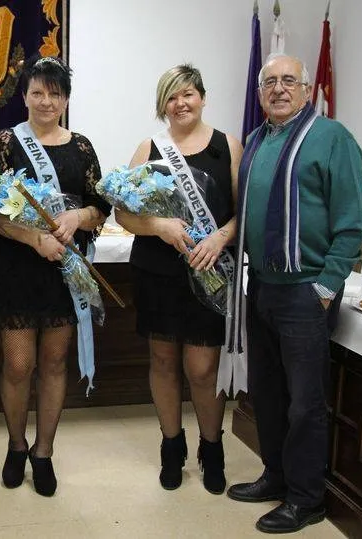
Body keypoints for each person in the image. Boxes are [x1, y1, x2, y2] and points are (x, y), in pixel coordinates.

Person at [225, 53, 362, 534]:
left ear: (308, 90)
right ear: (260, 91)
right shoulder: (257, 140)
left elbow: (352, 225)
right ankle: (277, 476)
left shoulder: (332, 139)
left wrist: (326, 287)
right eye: (270, 82)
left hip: (305, 292)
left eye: (289, 80)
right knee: (265, 392)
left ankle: (307, 499)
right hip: (262, 285)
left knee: (305, 402)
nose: (279, 88)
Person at [0, 55, 110, 497]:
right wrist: (33, 238)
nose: (46, 101)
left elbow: (101, 208)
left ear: (66, 98)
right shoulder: (4, 143)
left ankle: (44, 451)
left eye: (55, 93)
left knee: (54, 364)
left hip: (63, 275)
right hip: (15, 269)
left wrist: (78, 217)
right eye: (38, 92)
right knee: (18, 365)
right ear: (25, 95)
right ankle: (16, 445)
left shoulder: (82, 147)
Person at [116, 64, 242, 494]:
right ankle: (172, 446)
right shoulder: (149, 148)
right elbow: (122, 212)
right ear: (161, 106)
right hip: (158, 271)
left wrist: (222, 237)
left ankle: (212, 446)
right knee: (164, 361)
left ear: (202, 98)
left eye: (188, 94)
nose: (180, 103)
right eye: (171, 97)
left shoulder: (229, 146)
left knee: (203, 368)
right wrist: (159, 227)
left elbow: (245, 213)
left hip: (210, 272)